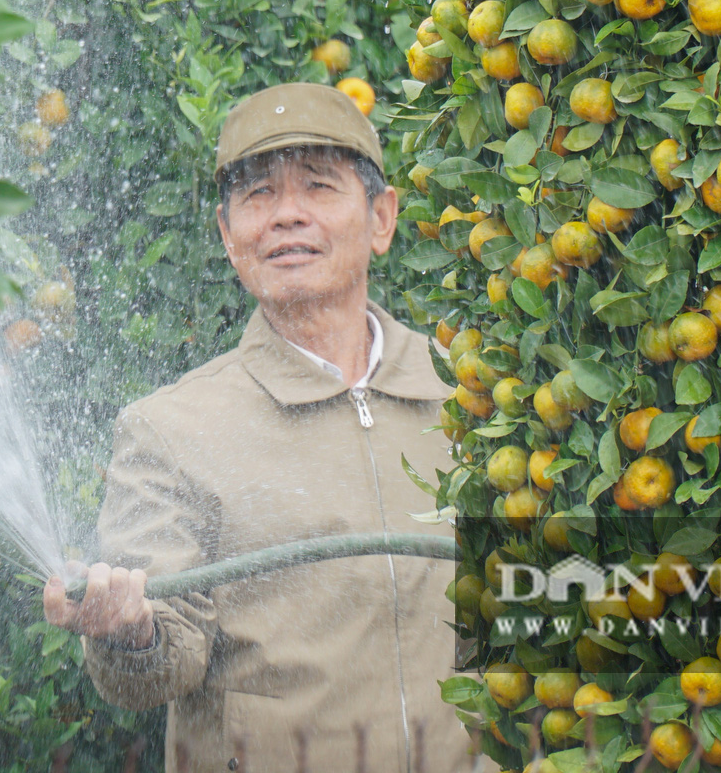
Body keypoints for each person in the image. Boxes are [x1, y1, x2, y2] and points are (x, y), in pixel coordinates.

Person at [42, 83, 475, 772]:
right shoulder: (171, 430)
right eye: (258, 196)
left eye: (319, 187)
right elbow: (152, 675)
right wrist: (129, 631)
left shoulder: (474, 398)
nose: (286, 216)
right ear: (227, 234)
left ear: (382, 218)